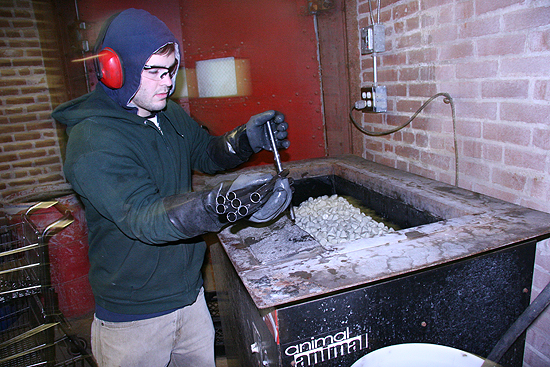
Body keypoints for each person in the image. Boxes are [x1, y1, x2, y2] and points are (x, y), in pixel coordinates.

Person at [52, 8, 291, 367]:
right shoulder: (93, 140)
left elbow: (206, 153)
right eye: (153, 71)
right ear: (115, 69)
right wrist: (214, 207)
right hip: (135, 318)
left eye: (171, 70)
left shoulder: (167, 112)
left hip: (190, 301)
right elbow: (143, 217)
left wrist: (244, 140)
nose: (167, 82)